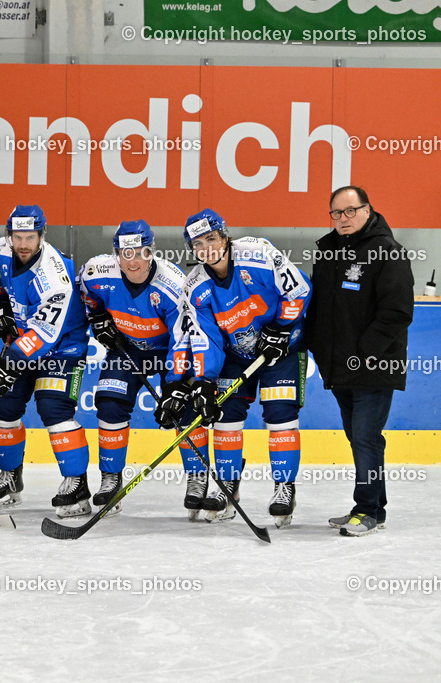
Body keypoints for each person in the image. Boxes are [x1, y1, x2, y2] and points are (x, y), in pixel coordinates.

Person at [173, 209, 312, 527]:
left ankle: (283, 487)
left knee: (280, 413)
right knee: (226, 415)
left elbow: (298, 290)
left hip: (282, 349)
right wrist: (205, 380)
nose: (207, 247)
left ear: (224, 236)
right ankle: (226, 485)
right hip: (237, 355)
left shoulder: (259, 253)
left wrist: (282, 327)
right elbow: (208, 338)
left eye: (211, 238)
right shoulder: (195, 287)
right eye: (198, 243)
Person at [306, 186, 414, 537]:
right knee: (360, 437)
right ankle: (374, 508)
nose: (343, 219)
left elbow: (397, 313)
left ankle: (366, 509)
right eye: (336, 213)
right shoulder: (328, 252)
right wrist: (316, 349)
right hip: (339, 369)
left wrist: (364, 354)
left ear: (367, 209)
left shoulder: (388, 253)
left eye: (350, 211)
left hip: (375, 367)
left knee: (366, 437)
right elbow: (319, 309)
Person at [0, 205, 92, 518]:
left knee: (53, 407)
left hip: (63, 346)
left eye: (31, 236)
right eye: (18, 236)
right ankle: (10, 477)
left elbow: (45, 333)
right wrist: (1, 305)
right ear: (8, 235)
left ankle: (77, 485)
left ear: (42, 235)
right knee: (3, 405)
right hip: (22, 342)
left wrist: (6, 366)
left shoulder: (55, 276)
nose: (24, 243)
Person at [79, 220, 199, 517]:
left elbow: (183, 339)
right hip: (129, 348)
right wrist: (98, 319)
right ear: (116, 253)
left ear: (152, 252)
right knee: (109, 401)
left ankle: (198, 477)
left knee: (185, 408)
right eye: (126, 253)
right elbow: (87, 296)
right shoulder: (97, 272)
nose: (133, 261)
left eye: (141, 253)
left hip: (170, 349)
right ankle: (110, 478)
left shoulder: (173, 286)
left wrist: (174, 387)